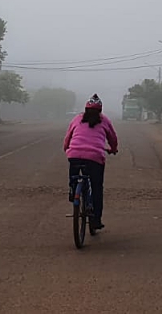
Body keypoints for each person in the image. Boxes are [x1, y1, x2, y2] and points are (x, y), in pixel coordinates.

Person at [63, 94, 118, 231]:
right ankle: (96, 220)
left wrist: (67, 149)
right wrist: (113, 149)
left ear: (85, 109)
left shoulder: (77, 119)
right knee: (97, 187)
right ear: (100, 110)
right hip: (95, 158)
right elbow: (113, 138)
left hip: (74, 155)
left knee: (74, 176)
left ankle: (73, 190)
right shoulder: (104, 120)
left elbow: (68, 137)